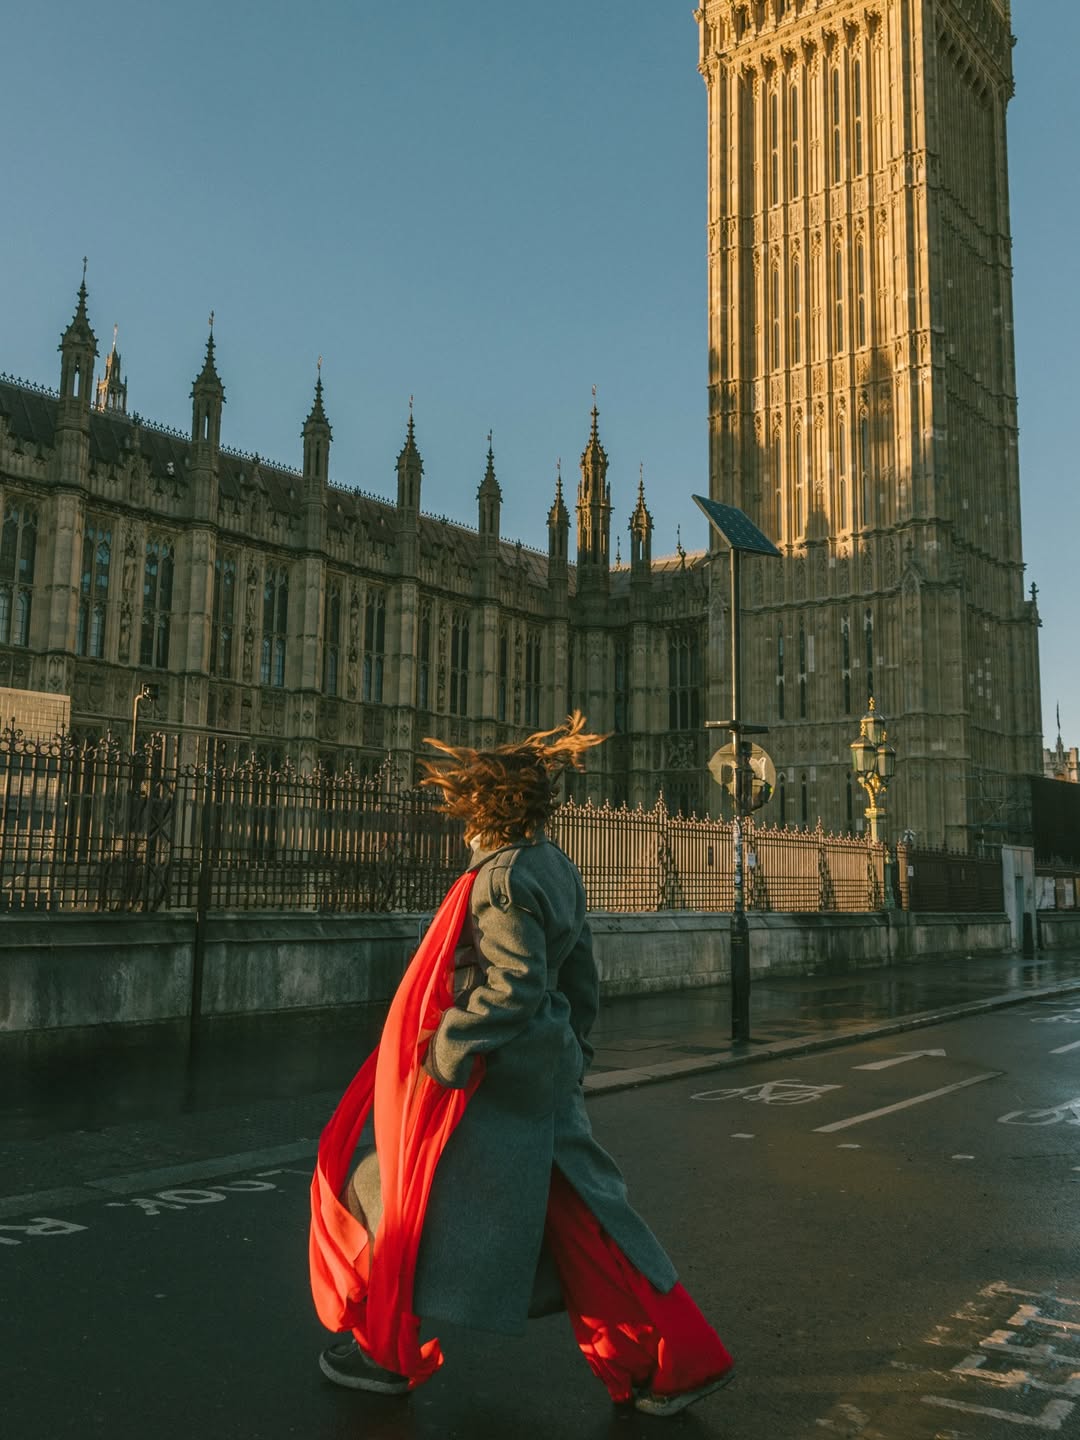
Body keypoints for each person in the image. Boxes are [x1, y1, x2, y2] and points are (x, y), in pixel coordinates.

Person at [311, 714, 734, 1417]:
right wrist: (574, 1056)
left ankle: (384, 1349)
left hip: (495, 1091)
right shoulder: (554, 865)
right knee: (590, 1232)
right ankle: (662, 1360)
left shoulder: (501, 879)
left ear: (483, 808)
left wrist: (445, 1052)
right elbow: (581, 985)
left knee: (390, 1193)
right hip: (541, 1083)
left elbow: (512, 986)